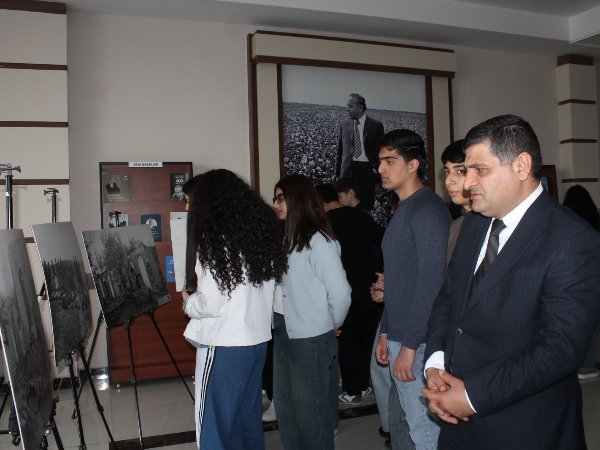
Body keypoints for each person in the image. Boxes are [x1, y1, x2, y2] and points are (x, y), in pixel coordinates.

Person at [422, 115, 600, 450]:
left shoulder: (572, 239)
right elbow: (449, 298)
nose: (467, 183)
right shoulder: (474, 224)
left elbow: (560, 349)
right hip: (456, 423)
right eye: (465, 170)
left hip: (524, 426)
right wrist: (435, 364)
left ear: (521, 166)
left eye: (480, 170)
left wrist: (471, 395)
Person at [180, 169, 287, 449]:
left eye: (191, 202)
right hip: (257, 342)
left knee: (213, 425)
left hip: (225, 345)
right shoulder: (258, 235)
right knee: (246, 420)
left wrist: (188, 302)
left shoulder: (214, 239)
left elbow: (211, 303)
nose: (188, 209)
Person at [375, 129, 451, 450]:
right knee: (406, 426)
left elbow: (431, 282)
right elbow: (398, 279)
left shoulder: (426, 210)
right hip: (402, 334)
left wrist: (409, 344)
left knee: (426, 433)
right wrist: (385, 330)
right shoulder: (405, 208)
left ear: (413, 164)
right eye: (380, 161)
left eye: (390, 160)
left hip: (417, 340)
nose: (381, 168)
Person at [272, 174, 351, 450]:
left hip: (310, 337)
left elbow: (341, 293)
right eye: (275, 198)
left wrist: (332, 323)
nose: (276, 204)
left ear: (299, 199)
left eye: (281, 198)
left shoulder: (320, 241)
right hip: (282, 329)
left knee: (311, 413)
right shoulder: (286, 238)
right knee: (285, 407)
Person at [315, 184, 379, 405]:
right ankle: (364, 384)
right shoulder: (361, 216)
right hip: (369, 287)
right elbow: (379, 241)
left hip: (343, 288)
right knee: (367, 338)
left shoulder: (323, 223)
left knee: (348, 340)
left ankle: (352, 390)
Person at [563, 184, 600, 380]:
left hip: (571, 280)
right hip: (595, 277)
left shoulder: (565, 221)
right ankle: (587, 365)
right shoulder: (595, 220)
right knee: (593, 325)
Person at [336, 93, 385, 211]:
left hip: (367, 170)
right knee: (345, 207)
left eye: (350, 106)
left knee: (366, 205)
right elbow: (340, 152)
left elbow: (382, 152)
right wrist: (338, 176)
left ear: (360, 107)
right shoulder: (344, 125)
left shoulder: (376, 126)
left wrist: (379, 172)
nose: (347, 109)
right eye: (347, 106)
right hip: (348, 171)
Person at [441, 139, 472, 269]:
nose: (448, 181)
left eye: (460, 171)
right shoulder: (455, 226)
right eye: (447, 172)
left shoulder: (496, 225)